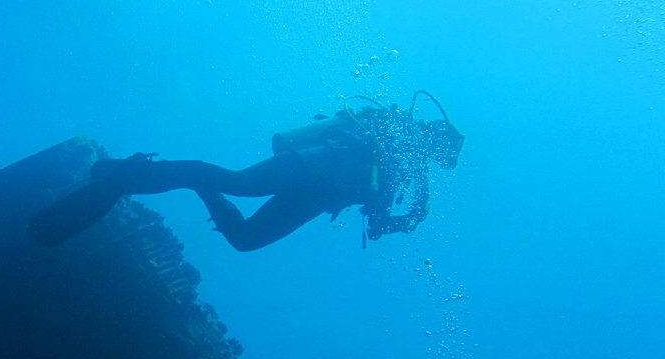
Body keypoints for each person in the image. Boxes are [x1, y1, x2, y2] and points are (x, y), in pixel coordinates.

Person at [29, 91, 464, 251]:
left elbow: (389, 210)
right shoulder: (394, 131)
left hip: (319, 196)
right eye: (439, 150)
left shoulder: (408, 163)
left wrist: (391, 220)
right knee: (236, 183)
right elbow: (368, 166)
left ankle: (193, 180)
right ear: (433, 136)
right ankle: (132, 173)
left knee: (247, 240)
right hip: (313, 165)